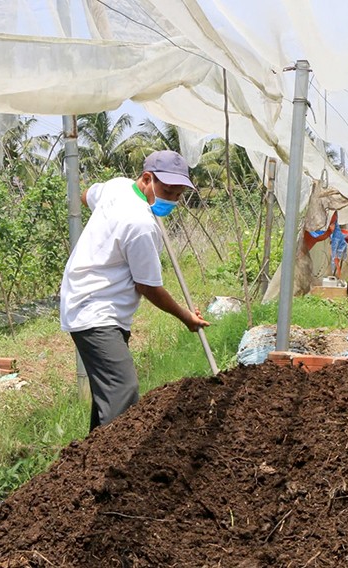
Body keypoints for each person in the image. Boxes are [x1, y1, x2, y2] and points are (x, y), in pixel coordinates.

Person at [60, 150, 209, 432]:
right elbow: (148, 287)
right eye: (167, 191)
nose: (172, 200)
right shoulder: (140, 224)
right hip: (96, 308)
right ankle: (107, 468)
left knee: (110, 396)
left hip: (90, 300)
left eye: (178, 194)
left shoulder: (118, 187)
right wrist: (186, 317)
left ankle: (89, 464)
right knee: (123, 389)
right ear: (147, 178)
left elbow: (87, 195)